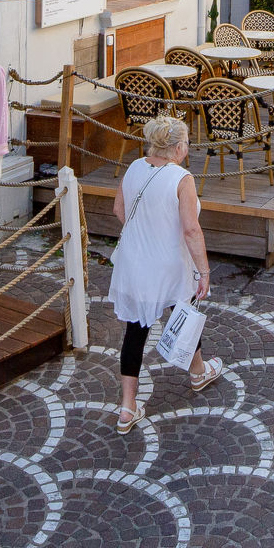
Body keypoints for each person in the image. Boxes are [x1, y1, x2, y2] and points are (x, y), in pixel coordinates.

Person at [109, 115, 221, 432]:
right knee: (182, 313)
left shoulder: (133, 168)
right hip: (169, 263)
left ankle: (128, 407)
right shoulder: (181, 179)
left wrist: (145, 236)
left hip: (135, 263)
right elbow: (190, 229)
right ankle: (198, 372)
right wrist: (204, 270)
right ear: (178, 147)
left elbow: (119, 210)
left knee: (135, 331)